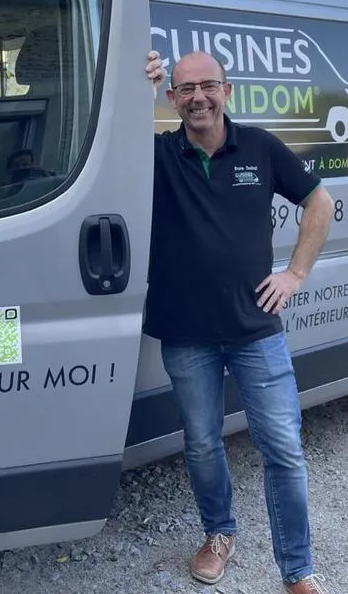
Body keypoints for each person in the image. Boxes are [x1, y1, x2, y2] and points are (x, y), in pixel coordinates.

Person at [141, 49, 335, 594]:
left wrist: (294, 274)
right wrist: (138, 91)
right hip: (186, 333)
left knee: (283, 449)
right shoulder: (158, 154)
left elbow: (320, 203)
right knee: (202, 445)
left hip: (255, 331)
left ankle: (297, 570)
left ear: (227, 91)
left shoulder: (259, 147)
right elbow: (112, 148)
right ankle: (219, 534)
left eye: (208, 85)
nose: (198, 97)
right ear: (171, 98)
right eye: (185, 88)